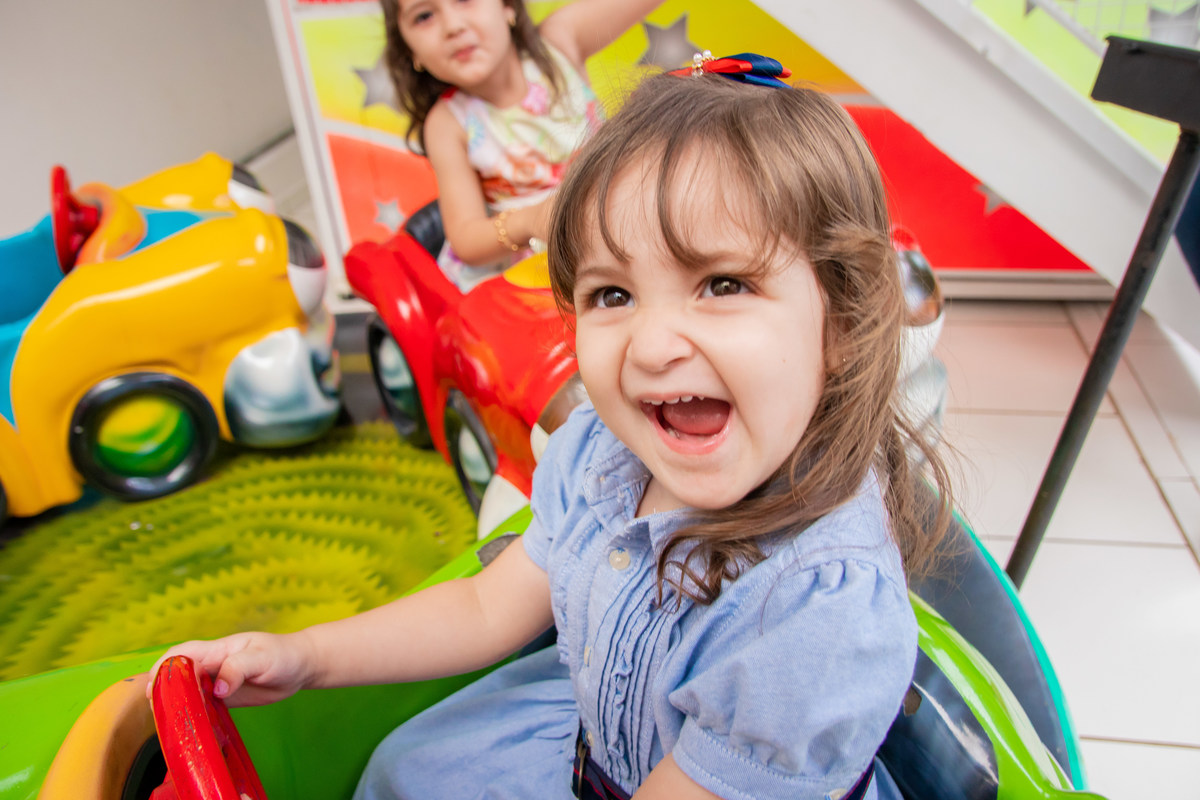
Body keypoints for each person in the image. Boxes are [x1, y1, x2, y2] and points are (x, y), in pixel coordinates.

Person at [150, 55, 954, 800]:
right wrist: (308, 656)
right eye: (612, 295)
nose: (652, 345)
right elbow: (483, 610)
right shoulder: (603, 459)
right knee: (401, 771)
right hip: (594, 742)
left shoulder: (815, 613)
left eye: (722, 283)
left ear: (842, 321)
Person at [381, 0, 662, 289]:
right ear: (409, 50)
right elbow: (466, 239)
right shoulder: (447, 123)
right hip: (533, 279)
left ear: (507, 6)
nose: (453, 26)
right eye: (424, 16)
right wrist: (530, 222)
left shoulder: (559, 41)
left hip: (617, 233)